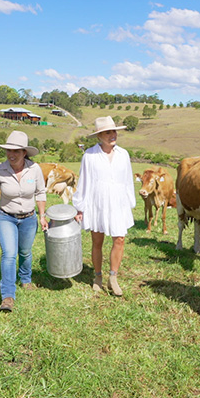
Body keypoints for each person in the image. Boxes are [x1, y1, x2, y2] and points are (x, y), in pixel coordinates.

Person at [0, 131, 49, 312]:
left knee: (25, 252)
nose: (11, 155)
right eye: (8, 151)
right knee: (9, 254)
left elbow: (40, 193)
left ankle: (26, 279)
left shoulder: (34, 169)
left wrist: (42, 216)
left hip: (29, 218)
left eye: (16, 151)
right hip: (5, 217)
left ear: (24, 152)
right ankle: (8, 296)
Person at [73, 116, 136, 296]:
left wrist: (129, 201)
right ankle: (98, 276)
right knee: (97, 240)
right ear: (99, 135)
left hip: (118, 202)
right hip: (97, 201)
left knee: (120, 239)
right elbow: (84, 182)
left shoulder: (124, 155)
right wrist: (80, 206)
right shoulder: (90, 156)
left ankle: (113, 277)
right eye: (108, 132)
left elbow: (127, 181)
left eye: (114, 131)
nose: (112, 135)